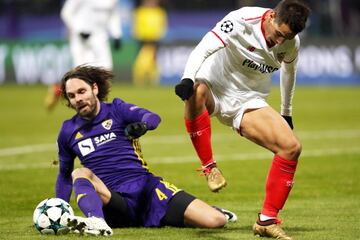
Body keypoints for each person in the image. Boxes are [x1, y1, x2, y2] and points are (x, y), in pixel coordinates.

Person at [174, 0, 310, 239]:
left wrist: (286, 112)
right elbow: (205, 46)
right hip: (215, 86)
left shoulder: (291, 43)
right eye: (279, 34)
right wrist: (187, 78)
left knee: (291, 148)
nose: (279, 42)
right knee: (196, 91)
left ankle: (266, 220)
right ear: (271, 17)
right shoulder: (241, 20)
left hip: (248, 100)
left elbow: (289, 72)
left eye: (285, 38)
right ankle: (209, 168)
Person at [55, 65, 237, 236]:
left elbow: (152, 117)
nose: (78, 99)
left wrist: (142, 126)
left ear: (94, 88)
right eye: (72, 96)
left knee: (216, 220)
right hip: (114, 200)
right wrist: (60, 209)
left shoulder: (117, 110)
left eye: (81, 91)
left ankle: (210, 210)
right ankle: (96, 221)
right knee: (80, 172)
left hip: (146, 190)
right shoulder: (68, 131)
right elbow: (64, 175)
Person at [45, 0, 122, 111]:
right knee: (81, 74)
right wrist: (78, 30)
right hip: (80, 39)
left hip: (100, 36)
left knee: (106, 72)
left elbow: (113, 14)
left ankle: (101, 109)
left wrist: (116, 34)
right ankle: (58, 89)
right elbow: (66, 12)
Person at [132, 0, 167, 86]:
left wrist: (159, 35)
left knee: (153, 61)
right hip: (143, 41)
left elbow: (162, 26)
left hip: (155, 40)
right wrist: (139, 35)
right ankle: (140, 80)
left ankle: (153, 80)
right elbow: (136, 26)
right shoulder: (140, 11)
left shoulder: (160, 12)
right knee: (142, 61)